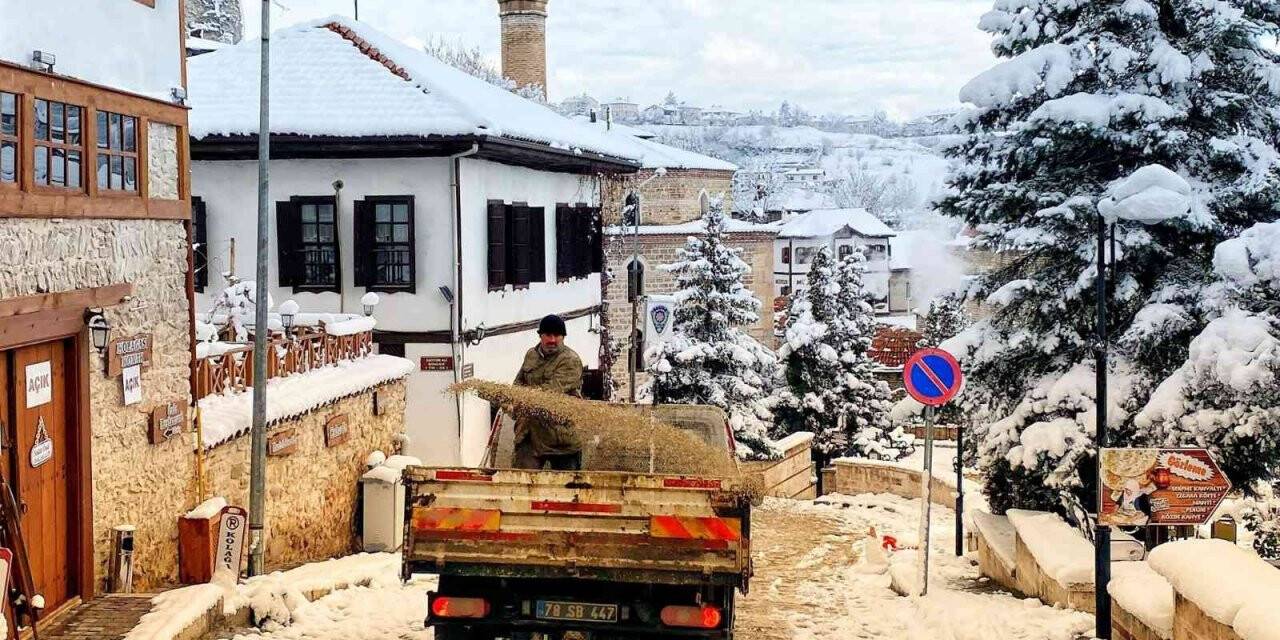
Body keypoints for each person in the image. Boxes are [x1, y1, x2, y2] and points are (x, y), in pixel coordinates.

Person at [511, 314, 584, 470]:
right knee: (521, 486)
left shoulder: (570, 360)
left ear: (563, 337)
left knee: (566, 489)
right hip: (530, 435)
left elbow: (549, 394)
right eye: (548, 335)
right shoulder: (531, 354)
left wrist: (521, 399)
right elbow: (518, 383)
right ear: (540, 336)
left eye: (557, 335)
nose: (552, 340)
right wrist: (510, 401)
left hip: (560, 439)